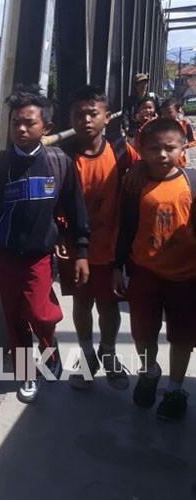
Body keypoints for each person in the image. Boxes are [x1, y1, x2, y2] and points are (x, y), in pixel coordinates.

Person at [0, 86, 90, 404]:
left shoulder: (58, 164)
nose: (21, 129)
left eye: (29, 123)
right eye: (15, 123)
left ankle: (49, 348)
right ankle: (27, 373)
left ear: (46, 128)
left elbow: (75, 208)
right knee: (15, 318)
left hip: (39, 255)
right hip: (7, 255)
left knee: (40, 314)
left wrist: (80, 249)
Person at [114, 118, 196, 421]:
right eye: (154, 148)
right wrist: (117, 266)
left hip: (185, 276)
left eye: (169, 148)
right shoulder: (135, 184)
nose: (162, 154)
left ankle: (175, 389)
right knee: (143, 332)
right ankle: (150, 371)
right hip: (144, 271)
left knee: (183, 337)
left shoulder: (192, 183)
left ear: (183, 148)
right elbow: (126, 227)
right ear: (141, 151)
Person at [58, 86, 140, 391]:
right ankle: (88, 355)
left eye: (93, 113)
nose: (86, 120)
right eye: (79, 114)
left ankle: (108, 353)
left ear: (107, 117)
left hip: (111, 246)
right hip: (77, 247)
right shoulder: (64, 157)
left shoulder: (121, 151)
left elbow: (140, 181)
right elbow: (56, 201)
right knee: (82, 302)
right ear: (70, 119)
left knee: (108, 305)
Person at [121, 74, 159, 139]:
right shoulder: (130, 100)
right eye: (141, 83)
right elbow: (125, 114)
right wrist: (126, 127)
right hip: (135, 130)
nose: (144, 85)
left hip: (151, 130)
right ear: (136, 85)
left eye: (145, 83)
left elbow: (161, 111)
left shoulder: (153, 97)